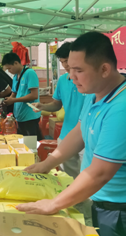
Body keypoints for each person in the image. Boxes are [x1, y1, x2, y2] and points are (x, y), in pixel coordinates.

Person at [17, 32, 126, 236]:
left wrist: (54, 203)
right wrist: (47, 163)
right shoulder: (95, 94)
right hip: (105, 204)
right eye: (69, 69)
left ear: (104, 69)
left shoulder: (124, 108)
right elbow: (80, 132)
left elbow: (100, 173)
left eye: (78, 70)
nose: (71, 77)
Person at [32, 42, 87, 178]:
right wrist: (43, 106)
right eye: (62, 62)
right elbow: (57, 104)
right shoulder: (62, 80)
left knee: (85, 175)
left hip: (86, 135)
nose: (65, 65)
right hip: (66, 134)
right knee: (67, 175)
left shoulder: (88, 80)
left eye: (67, 61)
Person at [1, 52, 43, 141]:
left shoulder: (30, 73)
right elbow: (14, 93)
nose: (9, 71)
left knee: (31, 143)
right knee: (22, 142)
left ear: (16, 63)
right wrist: (8, 100)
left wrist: (13, 100)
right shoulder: (15, 76)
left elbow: (34, 95)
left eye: (9, 68)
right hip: (20, 116)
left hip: (30, 116)